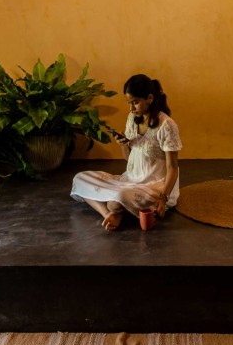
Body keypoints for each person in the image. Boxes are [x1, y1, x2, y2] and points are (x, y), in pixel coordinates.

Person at [70, 74, 181, 231]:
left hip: (155, 186)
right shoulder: (132, 118)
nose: (131, 108)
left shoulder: (166, 125)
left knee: (117, 199)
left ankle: (114, 209)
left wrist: (163, 199)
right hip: (129, 180)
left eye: (135, 102)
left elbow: (173, 168)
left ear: (150, 98)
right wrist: (123, 144)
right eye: (129, 103)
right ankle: (109, 214)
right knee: (80, 178)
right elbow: (129, 160)